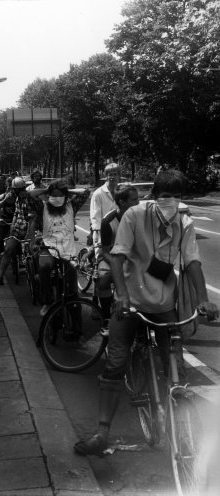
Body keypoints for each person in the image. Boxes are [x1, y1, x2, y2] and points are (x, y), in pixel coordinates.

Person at [74, 169, 219, 456]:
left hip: (165, 303)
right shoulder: (134, 216)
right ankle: (102, 432)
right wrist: (123, 296)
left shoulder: (184, 223)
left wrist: (204, 300)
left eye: (177, 197)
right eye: (166, 196)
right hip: (130, 302)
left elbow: (192, 262)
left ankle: (180, 424)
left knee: (175, 361)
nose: (172, 202)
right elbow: (117, 256)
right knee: (115, 363)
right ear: (155, 196)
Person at [27, 178, 90, 316]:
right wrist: (48, 190)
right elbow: (30, 195)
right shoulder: (42, 206)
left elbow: (86, 192)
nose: (56, 198)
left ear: (65, 197)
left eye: (59, 195)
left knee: (72, 281)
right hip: (48, 247)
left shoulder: (71, 206)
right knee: (44, 267)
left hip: (68, 248)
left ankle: (74, 316)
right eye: (53, 195)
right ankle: (47, 301)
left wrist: (66, 191)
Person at [97, 184, 139, 321]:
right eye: (134, 200)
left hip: (133, 259)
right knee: (103, 281)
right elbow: (105, 252)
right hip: (112, 259)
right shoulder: (108, 221)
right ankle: (106, 318)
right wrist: (119, 266)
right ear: (122, 202)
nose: (138, 203)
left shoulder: (140, 217)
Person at [0, 177, 35, 285]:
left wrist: (31, 231)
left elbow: (35, 216)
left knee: (35, 251)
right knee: (7, 249)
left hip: (30, 229)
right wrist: (12, 227)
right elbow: (15, 214)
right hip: (15, 229)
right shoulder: (11, 197)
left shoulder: (31, 198)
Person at [90, 163, 120, 255]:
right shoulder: (98, 194)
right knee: (102, 261)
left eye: (115, 174)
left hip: (119, 232)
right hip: (103, 233)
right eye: (110, 174)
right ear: (105, 175)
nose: (113, 177)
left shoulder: (121, 192)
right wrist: (99, 237)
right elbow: (96, 217)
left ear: (119, 175)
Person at [0, 177, 16, 269]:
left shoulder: (18, 197)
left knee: (18, 239)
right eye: (8, 185)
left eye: (12, 187)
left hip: (15, 221)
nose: (10, 189)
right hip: (4, 221)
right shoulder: (2, 196)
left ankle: (19, 258)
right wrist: (5, 200)